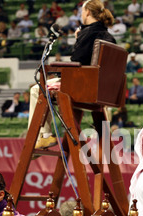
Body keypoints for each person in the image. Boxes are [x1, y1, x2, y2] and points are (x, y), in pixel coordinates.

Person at [28, 0, 116, 149]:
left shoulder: (88, 33)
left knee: (37, 89)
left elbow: (76, 62)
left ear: (87, 12)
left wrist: (77, 40)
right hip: (101, 92)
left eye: (82, 11)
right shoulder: (109, 37)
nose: (81, 14)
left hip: (82, 88)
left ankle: (41, 137)